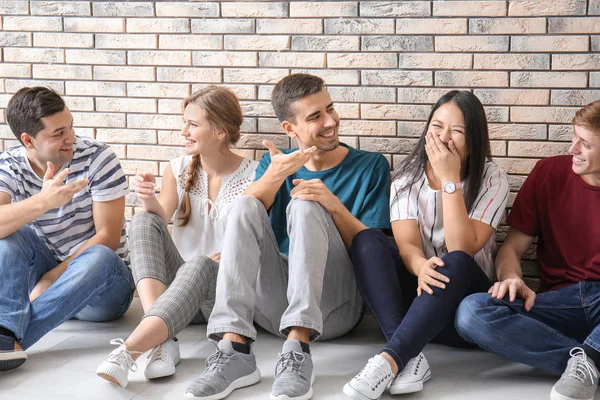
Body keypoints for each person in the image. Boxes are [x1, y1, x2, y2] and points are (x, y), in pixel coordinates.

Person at [183, 73, 390, 400]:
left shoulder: (371, 166)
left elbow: (374, 252)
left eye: (330, 109)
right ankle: (234, 350)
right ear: (290, 130)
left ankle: (298, 352)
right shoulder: (275, 162)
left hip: (336, 307)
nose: (331, 121)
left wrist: (333, 206)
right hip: (275, 308)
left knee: (307, 205)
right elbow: (245, 214)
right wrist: (277, 173)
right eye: (315, 116)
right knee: (245, 204)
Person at [344, 91, 509, 400]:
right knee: (368, 239)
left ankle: (390, 359)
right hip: (420, 303)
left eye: (457, 131)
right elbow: (406, 245)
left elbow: (463, 247)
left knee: (457, 260)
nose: (444, 138)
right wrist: (421, 267)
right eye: (437, 126)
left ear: (474, 139)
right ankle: (407, 355)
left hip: (464, 307)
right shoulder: (407, 177)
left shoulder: (493, 178)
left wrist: (450, 179)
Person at [95, 86, 258, 388]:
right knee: (143, 220)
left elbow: (259, 240)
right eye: (184, 122)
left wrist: (232, 254)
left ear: (220, 131)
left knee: (199, 263)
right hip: (177, 292)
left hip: (220, 296)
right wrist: (147, 198)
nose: (184, 131)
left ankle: (131, 349)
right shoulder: (179, 168)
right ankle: (163, 342)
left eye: (193, 124)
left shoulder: (255, 174)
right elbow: (161, 219)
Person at [456, 100, 600, 400]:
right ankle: (586, 360)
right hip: (561, 302)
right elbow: (512, 248)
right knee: (471, 312)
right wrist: (511, 277)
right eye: (574, 138)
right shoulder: (548, 172)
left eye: (584, 144)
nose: (572, 149)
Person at [0, 87, 134, 371]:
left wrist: (50, 279)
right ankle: (4, 337)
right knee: (12, 235)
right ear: (28, 140)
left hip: (104, 288)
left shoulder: (98, 158)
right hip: (46, 276)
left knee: (100, 255)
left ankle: (10, 340)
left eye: (71, 126)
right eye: (58, 133)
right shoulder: (10, 165)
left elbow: (108, 238)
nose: (71, 138)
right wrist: (43, 201)